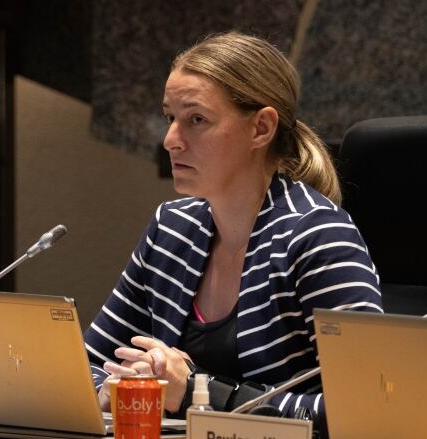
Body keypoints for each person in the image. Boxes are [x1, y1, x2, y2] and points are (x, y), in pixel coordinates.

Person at [82, 31, 382, 437]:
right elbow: (87, 363)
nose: (170, 140)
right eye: (171, 117)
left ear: (261, 128)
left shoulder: (318, 238)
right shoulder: (172, 228)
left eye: (196, 120)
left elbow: (368, 406)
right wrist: (110, 391)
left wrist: (195, 392)